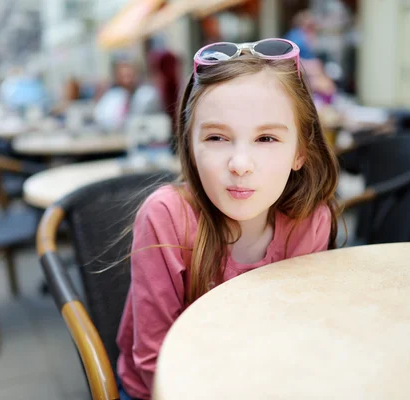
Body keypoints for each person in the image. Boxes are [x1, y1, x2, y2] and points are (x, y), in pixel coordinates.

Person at [115, 38, 341, 399]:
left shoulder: (310, 220)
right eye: (217, 137)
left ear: (300, 151)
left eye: (266, 138)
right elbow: (153, 364)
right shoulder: (166, 218)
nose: (239, 164)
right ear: (190, 144)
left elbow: (299, 335)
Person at [93, 59, 161, 130]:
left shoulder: (146, 94)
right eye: (123, 76)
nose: (127, 80)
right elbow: (100, 115)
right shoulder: (114, 95)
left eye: (129, 75)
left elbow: (144, 119)